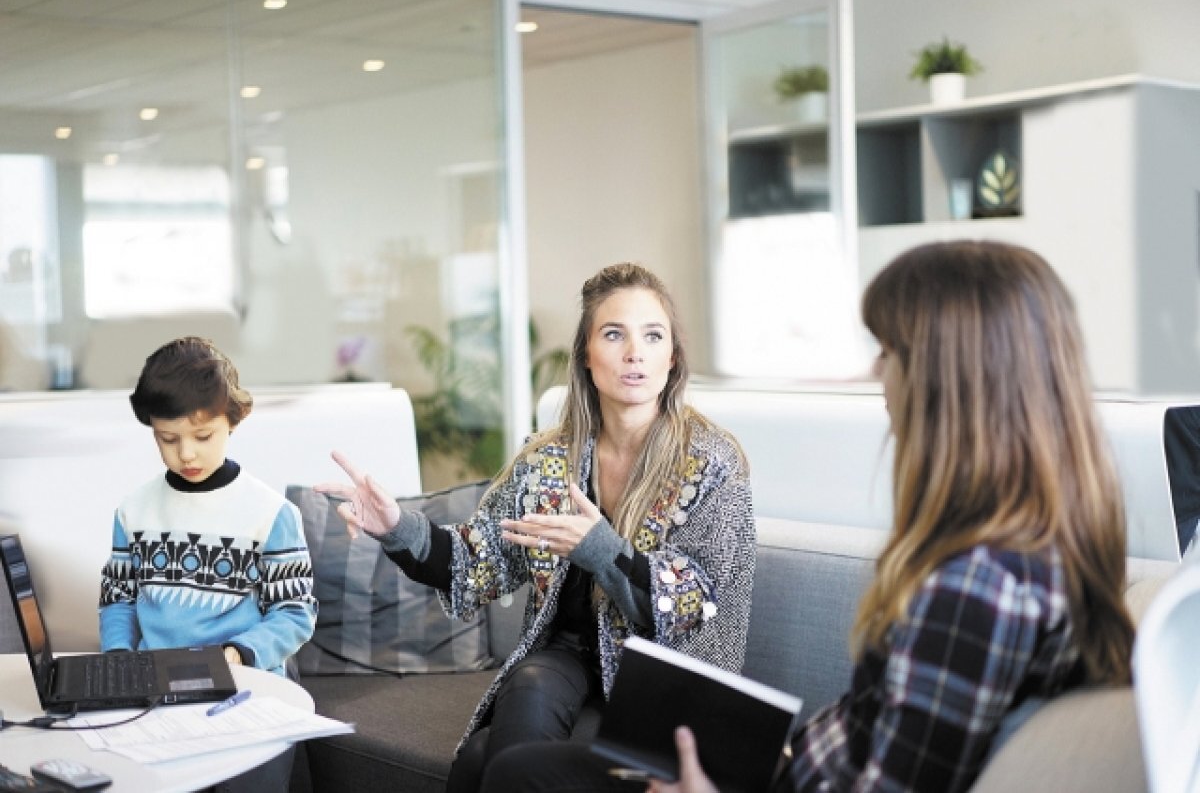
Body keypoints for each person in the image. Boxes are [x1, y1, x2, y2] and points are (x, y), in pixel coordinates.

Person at [643, 240, 1136, 793]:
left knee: (537, 772)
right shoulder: (1036, 549)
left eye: (888, 351)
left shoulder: (975, 589)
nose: (879, 375)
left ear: (945, 380)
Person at [317, 262, 756, 792]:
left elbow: (696, 603)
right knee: (526, 685)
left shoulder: (712, 462)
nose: (634, 352)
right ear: (587, 357)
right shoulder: (549, 459)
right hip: (568, 656)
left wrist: (601, 549)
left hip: (667, 677)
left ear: (672, 358)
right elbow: (473, 561)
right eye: (614, 334)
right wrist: (394, 527)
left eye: (652, 335)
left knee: (484, 759)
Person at [98, 336, 317, 792]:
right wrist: (119, 664)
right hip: (156, 694)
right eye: (168, 439)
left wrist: (237, 653)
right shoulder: (132, 511)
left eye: (202, 436)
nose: (187, 454)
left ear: (234, 421)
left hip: (244, 689)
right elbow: (118, 600)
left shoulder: (271, 513)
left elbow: (295, 614)